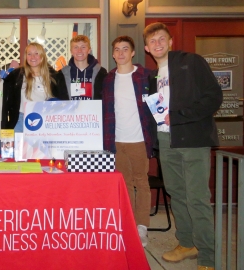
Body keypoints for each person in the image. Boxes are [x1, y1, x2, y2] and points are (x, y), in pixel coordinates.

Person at [143, 22, 222, 270]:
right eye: (153, 41)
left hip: (193, 139)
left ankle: (208, 256)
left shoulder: (191, 62)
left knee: (197, 197)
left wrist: (180, 115)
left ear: (170, 41)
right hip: (166, 140)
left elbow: (214, 97)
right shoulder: (153, 76)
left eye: (161, 39)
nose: (157, 44)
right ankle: (187, 243)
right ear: (147, 48)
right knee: (177, 194)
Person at [101, 35, 154, 247]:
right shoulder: (108, 79)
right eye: (117, 49)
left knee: (141, 182)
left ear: (133, 53)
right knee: (123, 183)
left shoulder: (146, 76)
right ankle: (128, 224)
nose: (121, 52)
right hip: (116, 141)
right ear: (113, 54)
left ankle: (142, 227)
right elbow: (105, 111)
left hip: (139, 139)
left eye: (125, 49)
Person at [1, 42, 69, 131]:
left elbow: (62, 101)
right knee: (18, 145)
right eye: (29, 54)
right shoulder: (16, 75)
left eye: (36, 53)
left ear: (42, 56)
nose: (32, 57)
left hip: (44, 122)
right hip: (20, 121)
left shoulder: (55, 77)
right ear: (26, 57)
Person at [61, 35, 107, 100]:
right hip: (71, 110)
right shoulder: (61, 75)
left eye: (83, 47)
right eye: (76, 47)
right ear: (71, 51)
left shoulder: (101, 73)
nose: (79, 51)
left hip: (94, 110)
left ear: (89, 50)